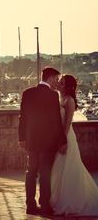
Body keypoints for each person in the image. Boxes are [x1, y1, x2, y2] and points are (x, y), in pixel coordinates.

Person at [18, 67, 67, 216]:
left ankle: (30, 205)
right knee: (45, 173)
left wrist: (22, 138)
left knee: (30, 172)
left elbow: (23, 118)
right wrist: (62, 141)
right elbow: (56, 121)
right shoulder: (52, 96)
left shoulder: (27, 93)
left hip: (31, 140)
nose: (56, 83)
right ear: (51, 78)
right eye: (56, 80)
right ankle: (45, 205)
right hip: (48, 142)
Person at [50, 74, 98, 216]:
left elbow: (68, 123)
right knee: (59, 168)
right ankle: (58, 199)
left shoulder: (69, 100)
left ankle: (71, 201)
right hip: (59, 136)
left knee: (69, 168)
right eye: (59, 81)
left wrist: (63, 141)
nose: (59, 84)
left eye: (62, 82)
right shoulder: (58, 98)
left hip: (66, 137)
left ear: (68, 86)